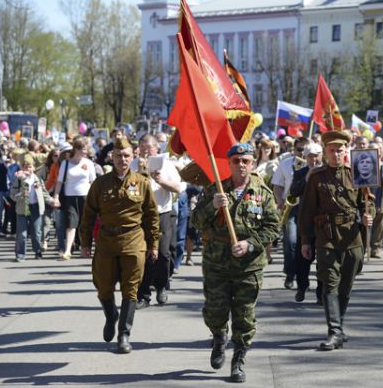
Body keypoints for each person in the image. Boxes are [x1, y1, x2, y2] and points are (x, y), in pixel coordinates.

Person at [191, 143, 279, 383]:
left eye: (246, 161)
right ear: (228, 164)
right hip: (217, 262)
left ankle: (238, 359)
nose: (241, 165)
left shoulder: (263, 194)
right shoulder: (215, 190)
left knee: (245, 316)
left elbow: (273, 228)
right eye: (236, 161)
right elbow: (196, 222)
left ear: (252, 163)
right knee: (215, 311)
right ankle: (219, 337)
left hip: (248, 266)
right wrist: (213, 206)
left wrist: (249, 244)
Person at [79, 138, 160, 354]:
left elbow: (152, 215)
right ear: (111, 158)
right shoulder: (100, 183)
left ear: (133, 156)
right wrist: (85, 242)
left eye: (126, 155)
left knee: (130, 289)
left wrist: (154, 244)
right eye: (118, 156)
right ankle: (111, 315)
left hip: (133, 239)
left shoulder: (142, 182)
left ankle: (124, 334)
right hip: (106, 241)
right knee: (103, 286)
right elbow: (88, 215)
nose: (122, 160)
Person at [299, 131, 374, 350]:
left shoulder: (357, 173)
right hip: (327, 237)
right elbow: (307, 210)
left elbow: (367, 203)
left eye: (340, 150)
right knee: (329, 282)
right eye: (331, 150)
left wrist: (370, 216)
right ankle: (334, 331)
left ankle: (339, 327)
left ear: (346, 151)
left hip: (353, 237)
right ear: (325, 152)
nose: (336, 154)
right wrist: (306, 239)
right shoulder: (316, 177)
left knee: (346, 285)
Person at [133, 134, 185, 307]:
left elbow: (178, 188)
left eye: (149, 147)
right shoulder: (133, 165)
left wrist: (161, 180)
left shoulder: (166, 164)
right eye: (143, 147)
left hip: (162, 213)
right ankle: (143, 294)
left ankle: (162, 286)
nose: (146, 151)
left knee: (163, 254)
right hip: (140, 215)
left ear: (157, 148)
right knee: (143, 255)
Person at [272, 137, 310, 289]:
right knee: (291, 242)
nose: (302, 153)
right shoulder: (286, 164)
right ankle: (290, 274)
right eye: (300, 150)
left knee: (307, 244)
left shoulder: (314, 165)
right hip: (291, 207)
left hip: (309, 208)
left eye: (305, 150)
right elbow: (277, 185)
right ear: (293, 150)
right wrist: (280, 200)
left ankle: (303, 277)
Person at [289, 143, 323, 303]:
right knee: (302, 258)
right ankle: (302, 287)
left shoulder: (326, 172)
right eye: (310, 156)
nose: (314, 159)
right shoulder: (300, 172)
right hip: (305, 221)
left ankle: (321, 293)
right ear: (305, 157)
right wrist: (307, 177)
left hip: (323, 222)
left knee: (323, 260)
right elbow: (294, 191)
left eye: (316, 155)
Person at [53, 138, 96, 260]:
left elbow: (93, 182)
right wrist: (56, 197)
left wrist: (95, 198)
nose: (85, 153)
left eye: (86, 150)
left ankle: (85, 249)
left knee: (85, 224)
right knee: (71, 224)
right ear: (76, 150)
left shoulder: (89, 163)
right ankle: (67, 250)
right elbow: (59, 182)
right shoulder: (66, 164)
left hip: (86, 197)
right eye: (83, 150)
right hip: (70, 198)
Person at [10, 155, 55, 261]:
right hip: (23, 208)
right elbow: (12, 195)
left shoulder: (37, 179)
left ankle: (38, 251)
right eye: (25, 167)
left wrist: (51, 200)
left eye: (30, 167)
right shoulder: (19, 180)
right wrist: (20, 194)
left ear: (34, 168)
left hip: (36, 207)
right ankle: (20, 254)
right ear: (22, 168)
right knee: (22, 233)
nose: (28, 169)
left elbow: (44, 193)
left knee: (36, 232)